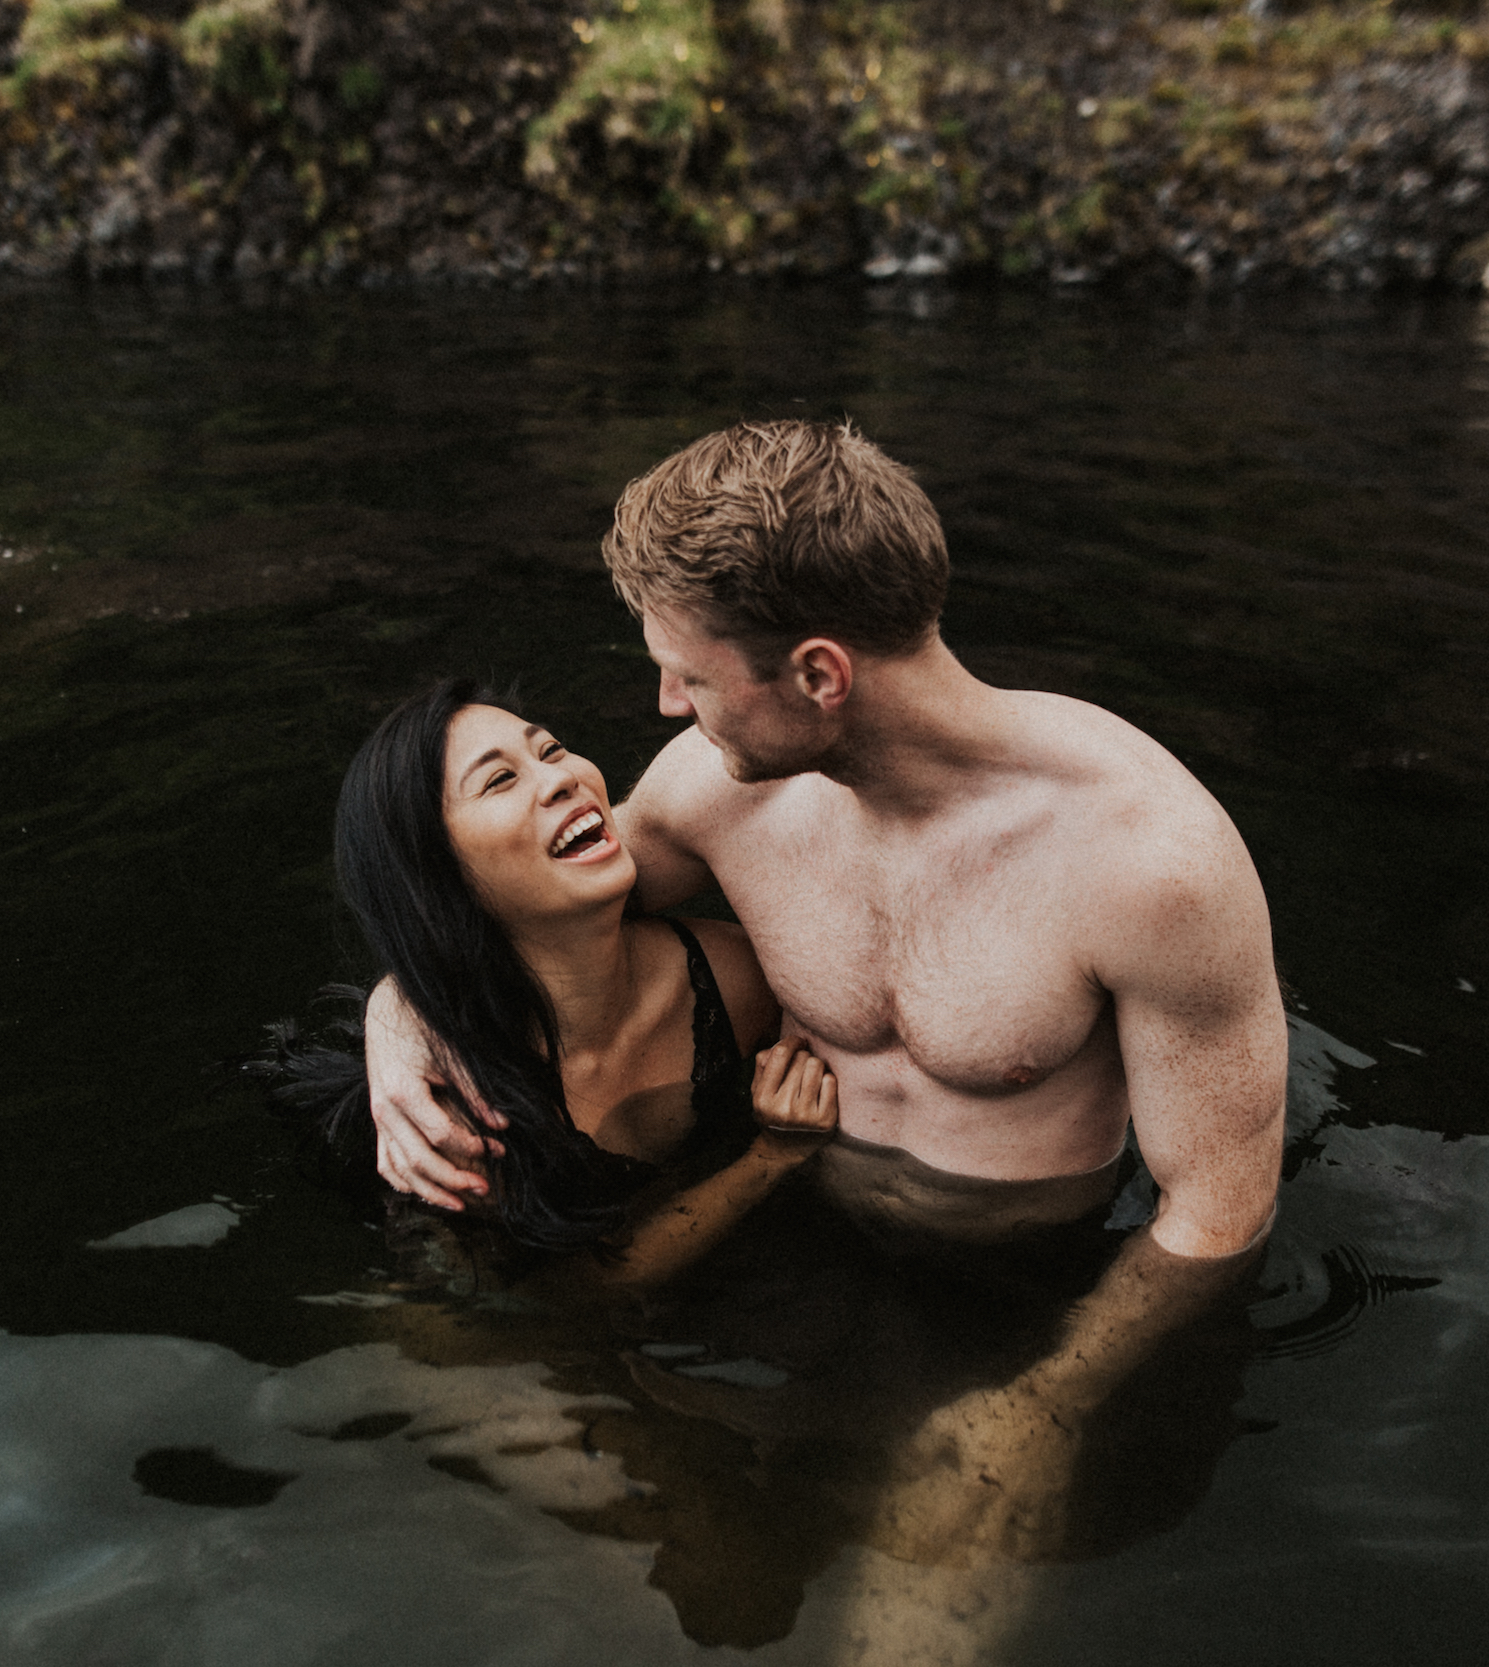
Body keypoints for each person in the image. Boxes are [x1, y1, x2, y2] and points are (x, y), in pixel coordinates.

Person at [365, 420, 1288, 1563]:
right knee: (597, 1521)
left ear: (817, 674)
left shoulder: (1149, 860)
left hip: (1014, 1299)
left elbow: (1216, 1210)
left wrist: (1050, 1398)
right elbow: (517, 911)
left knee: (902, 1621)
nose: (662, 704)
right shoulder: (718, 788)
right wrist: (397, 1013)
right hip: (785, 1234)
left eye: (690, 673)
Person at [265, 676, 840, 1289]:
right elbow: (572, 1295)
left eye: (551, 749)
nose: (561, 777)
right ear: (440, 877)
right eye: (500, 780)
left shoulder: (735, 982)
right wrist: (769, 1158)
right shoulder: (447, 1110)